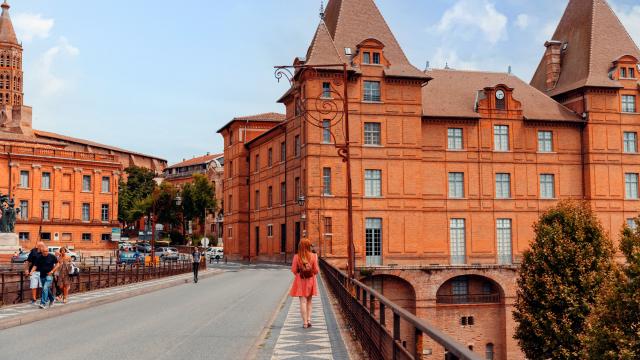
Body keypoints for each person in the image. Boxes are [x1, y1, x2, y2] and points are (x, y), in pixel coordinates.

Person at [289, 238, 319, 328]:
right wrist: (310, 273)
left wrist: (299, 274)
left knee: (302, 302)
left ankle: (305, 322)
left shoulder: (296, 256)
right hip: (310, 280)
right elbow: (316, 270)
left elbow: (294, 270)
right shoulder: (314, 256)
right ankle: (309, 319)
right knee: (309, 301)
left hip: (300, 280)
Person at [29, 244, 58, 309]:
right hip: (42, 275)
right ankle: (52, 299)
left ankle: (43, 303)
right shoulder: (39, 258)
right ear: (42, 252)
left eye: (47, 251)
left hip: (49, 275)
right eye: (44, 251)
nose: (46, 252)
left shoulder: (52, 256)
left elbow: (57, 264)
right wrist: (31, 271)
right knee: (46, 289)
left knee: (45, 288)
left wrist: (52, 271)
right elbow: (35, 266)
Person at [24, 241, 45, 306]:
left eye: (43, 246)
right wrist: (26, 270)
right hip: (33, 272)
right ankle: (34, 299)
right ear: (38, 246)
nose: (42, 247)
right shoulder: (33, 251)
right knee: (33, 285)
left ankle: (43, 298)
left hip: (42, 271)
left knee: (43, 286)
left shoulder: (45, 252)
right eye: (40, 246)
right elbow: (28, 261)